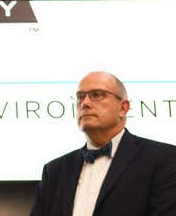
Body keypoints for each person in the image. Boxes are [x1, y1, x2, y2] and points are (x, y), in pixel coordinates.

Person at [30, 71, 176, 216]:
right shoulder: (54, 170)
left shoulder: (163, 158)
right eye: (80, 97)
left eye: (97, 94)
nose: (85, 103)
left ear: (123, 108)